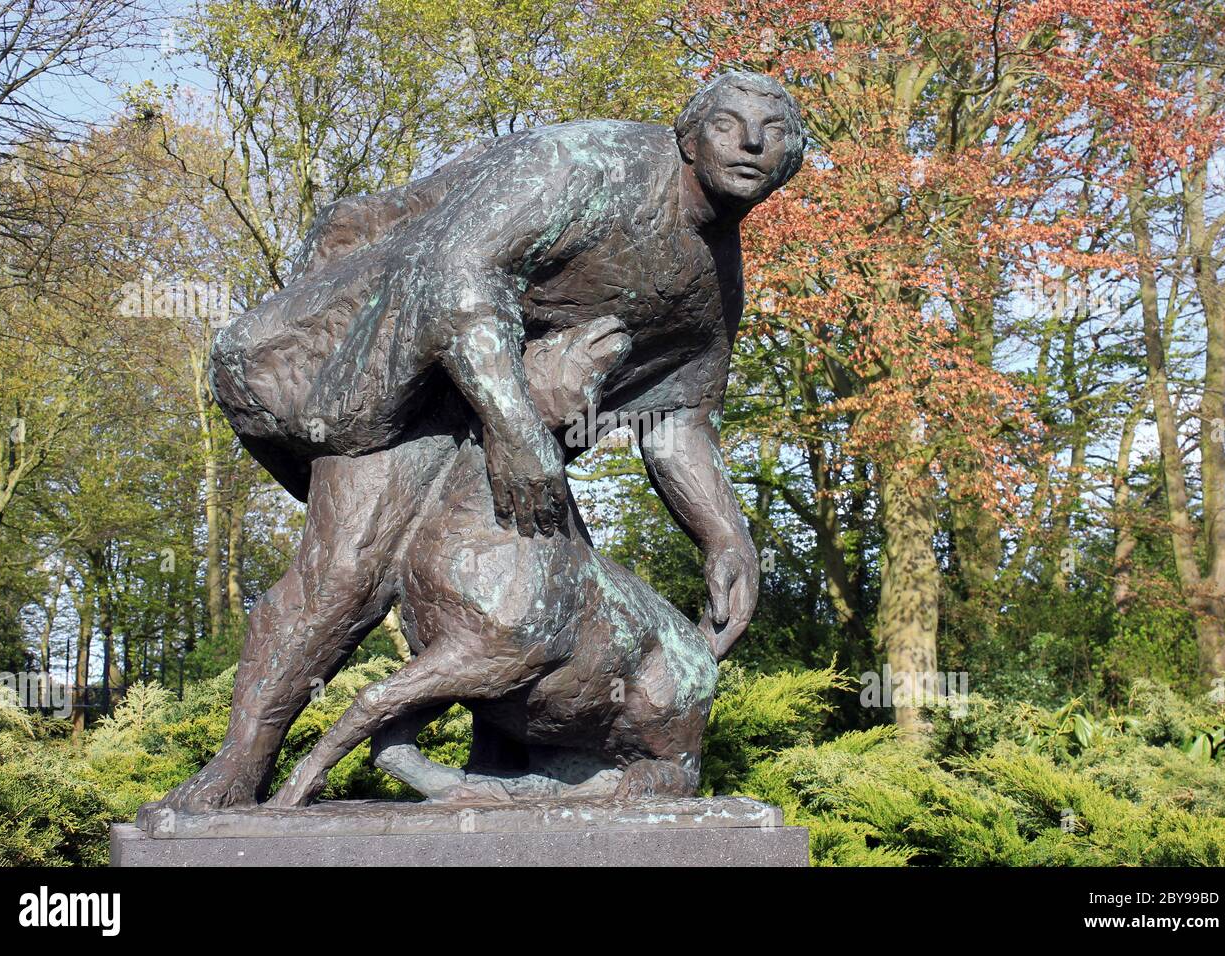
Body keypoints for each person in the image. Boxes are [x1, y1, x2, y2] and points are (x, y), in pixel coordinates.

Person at [156, 72, 806, 811]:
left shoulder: (714, 280)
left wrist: (725, 534)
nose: (752, 143)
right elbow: (455, 272)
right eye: (729, 124)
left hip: (528, 406)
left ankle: (500, 780)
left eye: (775, 133)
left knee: (536, 597)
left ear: (790, 161)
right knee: (345, 572)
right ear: (688, 139)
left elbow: (677, 414)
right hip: (408, 368)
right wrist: (515, 429)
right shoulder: (585, 164)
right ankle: (240, 766)